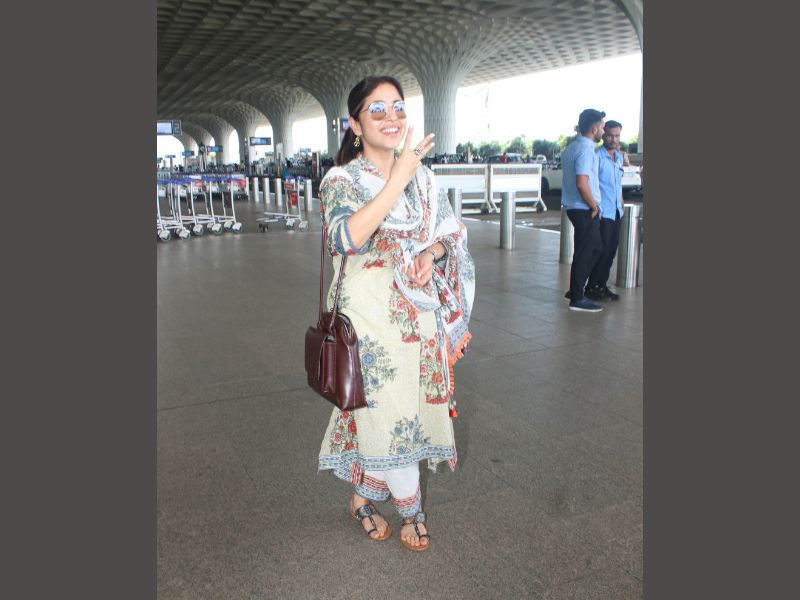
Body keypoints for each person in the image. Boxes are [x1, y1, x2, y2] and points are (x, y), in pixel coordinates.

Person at [317, 75, 475, 552]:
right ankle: (412, 511)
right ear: (355, 125)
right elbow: (346, 238)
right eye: (378, 109)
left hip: (418, 316)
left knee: (405, 411)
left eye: (398, 107)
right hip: (368, 322)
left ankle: (361, 499)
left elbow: (451, 233)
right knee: (390, 416)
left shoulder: (423, 179)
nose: (392, 118)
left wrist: (431, 254)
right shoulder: (340, 180)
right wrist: (398, 177)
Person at [561, 108, 606, 312]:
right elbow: (582, 182)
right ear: (594, 129)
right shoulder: (586, 151)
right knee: (586, 251)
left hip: (575, 207)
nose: (603, 131)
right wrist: (593, 205)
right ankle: (577, 298)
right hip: (584, 208)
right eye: (602, 128)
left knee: (595, 248)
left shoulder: (571, 148)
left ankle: (576, 289)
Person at [586, 120, 625, 301]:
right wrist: (595, 207)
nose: (613, 139)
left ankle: (602, 285)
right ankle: (592, 286)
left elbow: (617, 183)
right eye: (610, 135)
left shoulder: (618, 157)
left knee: (611, 251)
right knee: (600, 251)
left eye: (617, 135)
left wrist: (621, 200)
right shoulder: (597, 156)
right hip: (603, 212)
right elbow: (590, 184)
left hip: (616, 211)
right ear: (604, 135)